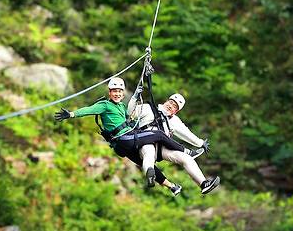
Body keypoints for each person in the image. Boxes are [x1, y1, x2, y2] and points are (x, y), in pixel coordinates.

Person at [54, 77, 197, 190]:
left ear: (123, 94)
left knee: (146, 164)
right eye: (114, 91)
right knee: (159, 135)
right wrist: (72, 114)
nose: (117, 94)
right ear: (109, 92)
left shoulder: (122, 106)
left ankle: (171, 186)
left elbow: (131, 113)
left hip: (121, 146)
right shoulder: (105, 105)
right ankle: (186, 151)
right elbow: (89, 110)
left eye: (119, 92)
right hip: (125, 138)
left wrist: (136, 96)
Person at [127, 89, 220, 195]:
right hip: (145, 141)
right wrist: (135, 97)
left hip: (162, 148)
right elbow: (130, 112)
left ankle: (203, 184)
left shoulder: (174, 121)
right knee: (149, 152)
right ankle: (150, 173)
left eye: (175, 106)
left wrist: (200, 143)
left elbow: (186, 133)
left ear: (176, 111)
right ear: (166, 101)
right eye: (171, 102)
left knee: (186, 158)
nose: (171, 106)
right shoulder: (148, 108)